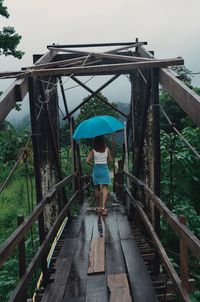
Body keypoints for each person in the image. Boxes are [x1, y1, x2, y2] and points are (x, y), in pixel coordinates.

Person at [86, 135, 112, 216]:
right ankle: (104, 207)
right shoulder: (107, 149)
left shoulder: (93, 150)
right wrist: (106, 161)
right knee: (105, 188)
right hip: (104, 168)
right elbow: (110, 160)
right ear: (103, 141)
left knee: (97, 188)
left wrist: (93, 165)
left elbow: (87, 161)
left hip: (96, 169)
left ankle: (99, 207)